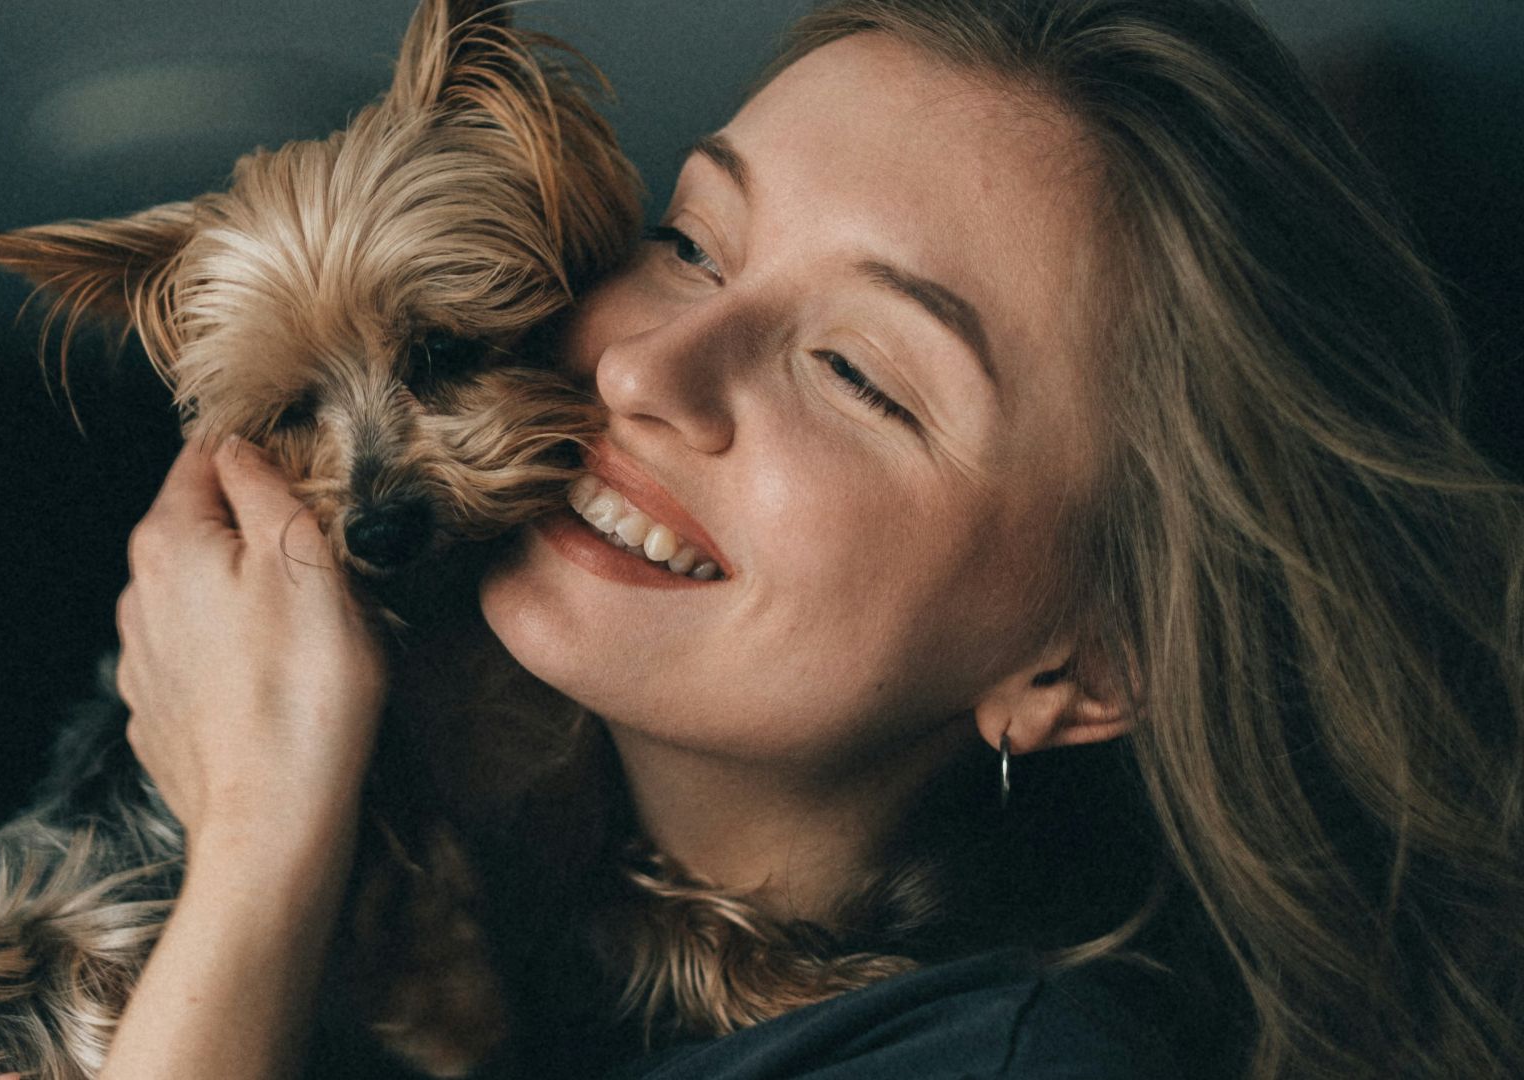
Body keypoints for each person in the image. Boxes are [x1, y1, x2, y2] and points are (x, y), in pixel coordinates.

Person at [96, 1, 1524, 1077]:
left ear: (1090, 660)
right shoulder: (489, 938)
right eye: (692, 243)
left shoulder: (1007, 1063)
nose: (648, 369)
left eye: (858, 373)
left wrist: (258, 841)